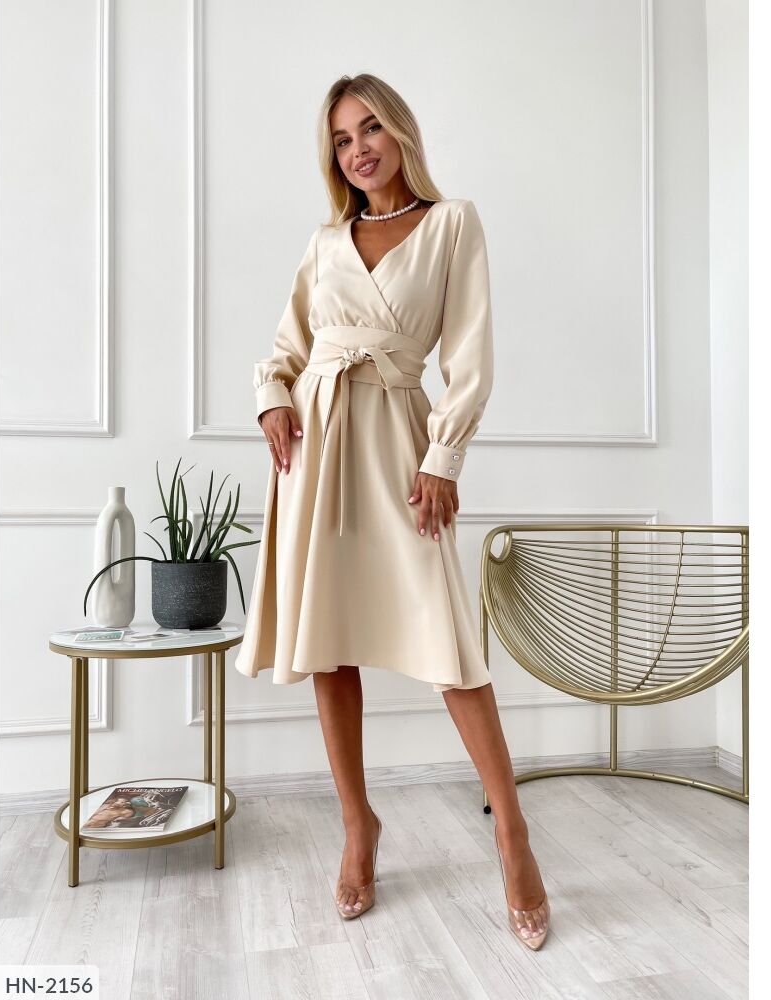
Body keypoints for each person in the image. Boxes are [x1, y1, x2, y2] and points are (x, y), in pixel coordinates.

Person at [232, 73, 550, 951]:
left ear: (400, 131)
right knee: (328, 641)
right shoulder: (324, 241)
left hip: (399, 444)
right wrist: (271, 399)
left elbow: (470, 357)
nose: (358, 148)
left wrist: (443, 456)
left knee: (449, 644)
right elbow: (285, 348)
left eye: (370, 128)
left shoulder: (452, 225)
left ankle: (511, 832)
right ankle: (357, 826)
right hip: (314, 449)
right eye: (341, 138)